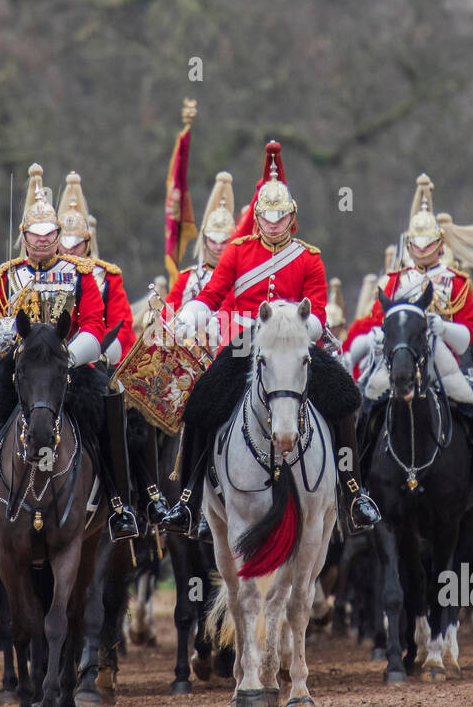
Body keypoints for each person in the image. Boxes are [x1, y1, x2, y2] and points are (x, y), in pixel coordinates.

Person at [160, 140, 381, 540]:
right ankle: (190, 501)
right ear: (257, 217)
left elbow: (317, 314)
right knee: (201, 400)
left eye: (280, 217)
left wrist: (300, 327)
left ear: (292, 217)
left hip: (295, 344)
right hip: (245, 342)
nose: (273, 224)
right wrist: (187, 318)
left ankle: (353, 492)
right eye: (267, 216)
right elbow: (211, 297)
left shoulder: (309, 257)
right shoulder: (237, 252)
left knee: (345, 397)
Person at [0, 164, 131, 544]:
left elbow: (93, 324)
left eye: (49, 235)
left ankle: (119, 501)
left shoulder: (81, 273)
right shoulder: (3, 276)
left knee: (111, 396)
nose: (42, 242)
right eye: (35, 235)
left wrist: (69, 357)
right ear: (23, 237)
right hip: (18, 369)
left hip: (68, 367)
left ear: (59, 235)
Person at [343, 174, 473, 533]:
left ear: (440, 245)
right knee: (369, 396)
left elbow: (472, 328)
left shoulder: (457, 282)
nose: (423, 251)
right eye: (418, 245)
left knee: (472, 395)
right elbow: (374, 320)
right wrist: (377, 336)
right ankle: (356, 486)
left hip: (441, 355)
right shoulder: (393, 282)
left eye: (429, 245)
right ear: (411, 245)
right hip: (401, 356)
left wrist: (444, 329)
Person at [58, 171, 165, 529]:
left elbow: (120, 330)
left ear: (88, 243)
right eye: (65, 244)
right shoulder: (34, 273)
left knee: (131, 407)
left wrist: (100, 352)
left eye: (78, 244)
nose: (71, 252)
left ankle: (140, 497)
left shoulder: (107, 276)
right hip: (44, 367)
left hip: (92, 365)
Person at [166, 171, 237, 343]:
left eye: (224, 241)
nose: (218, 247)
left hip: (228, 347)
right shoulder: (187, 277)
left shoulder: (240, 279)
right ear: (205, 240)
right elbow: (167, 314)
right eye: (213, 241)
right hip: (187, 349)